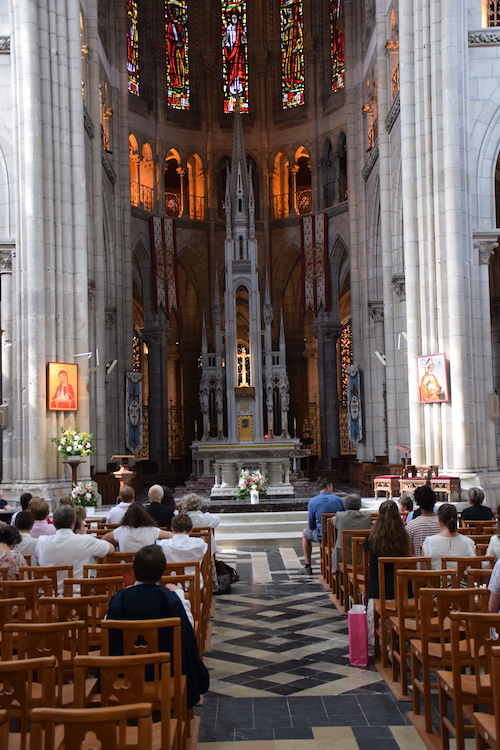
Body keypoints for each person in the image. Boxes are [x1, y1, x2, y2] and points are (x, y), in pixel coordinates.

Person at [105, 544, 209, 709]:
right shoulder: (172, 599)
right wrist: (181, 597)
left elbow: (108, 630)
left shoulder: (119, 599)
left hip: (125, 674)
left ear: (134, 570)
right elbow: (186, 630)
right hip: (165, 673)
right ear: (162, 571)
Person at [362, 500, 411, 645]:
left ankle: (380, 642)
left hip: (379, 591)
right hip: (402, 592)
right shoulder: (405, 537)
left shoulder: (372, 537)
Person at [35, 505, 114, 594]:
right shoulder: (86, 540)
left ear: (54, 523)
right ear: (74, 522)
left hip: (48, 598)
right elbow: (111, 549)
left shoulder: (41, 541)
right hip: (78, 597)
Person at [302, 478, 345, 575]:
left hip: (322, 535)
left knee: (305, 533)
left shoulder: (313, 501)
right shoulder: (339, 500)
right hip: (337, 534)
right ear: (328, 487)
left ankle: (308, 566)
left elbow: (311, 525)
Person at [157, 513, 208, 585]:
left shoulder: (162, 545)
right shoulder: (199, 544)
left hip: (169, 585)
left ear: (172, 529)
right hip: (193, 585)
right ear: (191, 530)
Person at [422, 503, 476, 569]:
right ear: (456, 519)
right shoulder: (468, 542)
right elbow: (474, 567)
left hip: (438, 579)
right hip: (462, 579)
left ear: (439, 519)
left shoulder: (429, 542)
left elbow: (424, 570)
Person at [102, 502, 172, 552]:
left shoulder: (120, 531)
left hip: (126, 570)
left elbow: (103, 539)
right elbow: (172, 536)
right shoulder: (152, 530)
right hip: (147, 567)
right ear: (145, 515)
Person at [331, 494, 372, 573]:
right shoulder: (367, 516)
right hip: (362, 554)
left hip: (343, 554)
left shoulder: (340, 516)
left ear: (345, 506)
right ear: (360, 506)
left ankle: (340, 578)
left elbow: (335, 522)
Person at [405, 485, 440, 556]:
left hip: (418, 565)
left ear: (417, 502)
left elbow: (408, 550)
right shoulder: (443, 523)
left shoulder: (412, 525)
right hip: (440, 565)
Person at [223, 11, 246, 98]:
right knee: (232, 69)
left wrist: (243, 39)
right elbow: (226, 40)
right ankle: (231, 85)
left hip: (239, 52)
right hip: (231, 51)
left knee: (239, 68)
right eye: (233, 18)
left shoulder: (240, 28)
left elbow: (243, 39)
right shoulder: (228, 28)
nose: (234, 20)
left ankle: (240, 86)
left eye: (236, 18)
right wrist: (226, 43)